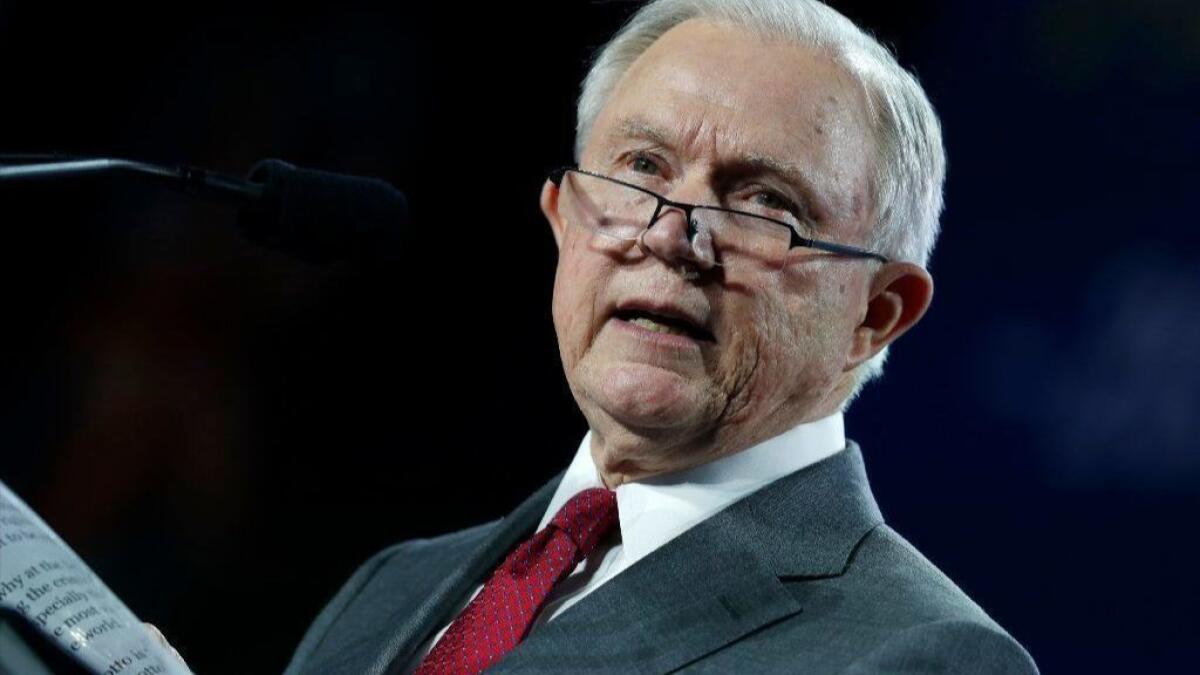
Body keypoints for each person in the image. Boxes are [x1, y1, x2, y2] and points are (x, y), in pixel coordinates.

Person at [285, 1, 1039, 673]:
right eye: (643, 167)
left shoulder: (921, 653)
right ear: (565, 218)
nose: (674, 236)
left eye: (764, 202)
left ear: (876, 312)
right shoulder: (390, 588)